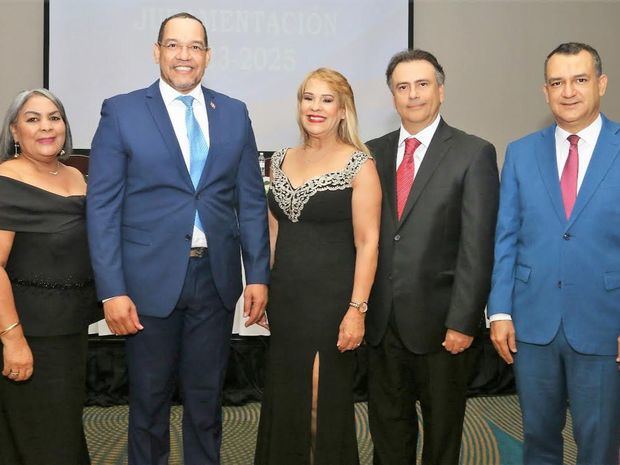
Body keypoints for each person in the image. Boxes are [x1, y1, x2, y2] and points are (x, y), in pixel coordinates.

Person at [86, 12, 270, 465]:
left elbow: (249, 201)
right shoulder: (121, 111)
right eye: (173, 45)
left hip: (216, 279)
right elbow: (102, 208)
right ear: (157, 52)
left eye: (194, 47)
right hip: (147, 283)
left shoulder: (233, 112)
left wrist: (259, 275)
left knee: (207, 403)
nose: (183, 56)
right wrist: (112, 290)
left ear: (207, 55)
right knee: (148, 404)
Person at [488, 42, 620, 465]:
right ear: (545, 91)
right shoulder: (521, 151)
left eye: (580, 80)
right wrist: (500, 311)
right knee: (538, 438)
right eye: (557, 82)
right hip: (532, 322)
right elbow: (505, 236)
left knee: (599, 443)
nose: (568, 91)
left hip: (603, 322)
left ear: (600, 84)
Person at [366, 49, 500, 465]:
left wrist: (463, 321)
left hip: (443, 328)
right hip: (382, 324)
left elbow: (477, 247)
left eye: (422, 85)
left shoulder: (473, 152)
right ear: (392, 97)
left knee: (442, 435)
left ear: (440, 91)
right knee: (387, 429)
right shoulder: (371, 152)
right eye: (402, 87)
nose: (413, 95)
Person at [254, 68, 381, 465]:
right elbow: (274, 233)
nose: (315, 107)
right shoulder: (280, 158)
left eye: (327, 99)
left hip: (332, 305)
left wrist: (357, 310)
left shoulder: (360, 165)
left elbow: (368, 243)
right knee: (286, 398)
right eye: (308, 97)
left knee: (319, 402)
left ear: (343, 110)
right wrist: (265, 288)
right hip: (287, 301)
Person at [0, 89, 100, 464]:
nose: (46, 126)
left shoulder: (76, 174)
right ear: (14, 131)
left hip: (71, 328)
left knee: (62, 428)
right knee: (37, 436)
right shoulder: (5, 181)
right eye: (32, 118)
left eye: (54, 117)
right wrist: (12, 340)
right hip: (28, 330)